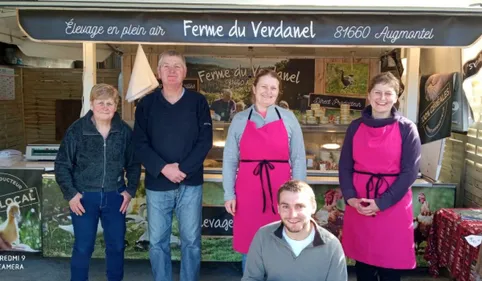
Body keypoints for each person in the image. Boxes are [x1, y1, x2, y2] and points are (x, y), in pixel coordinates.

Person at [133, 50, 213, 281]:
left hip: (191, 184)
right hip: (158, 184)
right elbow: (139, 143)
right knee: (157, 242)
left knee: (191, 241)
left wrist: (184, 169)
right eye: (166, 66)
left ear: (185, 72)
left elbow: (204, 141)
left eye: (177, 66)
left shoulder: (198, 102)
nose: (171, 70)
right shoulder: (146, 104)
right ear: (158, 73)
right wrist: (164, 168)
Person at [339, 72, 421, 281]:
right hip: (360, 203)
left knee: (390, 267)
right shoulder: (355, 127)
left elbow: (409, 173)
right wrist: (350, 198)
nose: (382, 98)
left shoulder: (407, 129)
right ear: (369, 95)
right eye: (377, 92)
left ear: (396, 98)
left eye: (388, 93)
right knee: (363, 265)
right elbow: (345, 166)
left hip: (393, 205)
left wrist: (382, 202)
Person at [55, 83, 141, 281]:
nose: (105, 107)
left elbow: (134, 164)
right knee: (83, 247)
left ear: (116, 106)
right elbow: (61, 164)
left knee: (117, 246)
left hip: (114, 197)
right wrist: (71, 194)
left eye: (109, 103)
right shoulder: (77, 131)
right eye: (100, 102)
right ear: (92, 104)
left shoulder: (124, 132)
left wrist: (129, 191)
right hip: (85, 197)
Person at [222, 69, 307, 272]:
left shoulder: (289, 118)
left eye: (273, 88)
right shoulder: (240, 119)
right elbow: (230, 159)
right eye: (263, 87)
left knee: (283, 243)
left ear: (278, 92)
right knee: (250, 247)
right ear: (254, 89)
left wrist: (299, 195)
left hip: (282, 193)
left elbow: (298, 158)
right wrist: (229, 193)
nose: (268, 92)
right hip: (248, 192)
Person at [242, 180, 347, 281]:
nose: (292, 215)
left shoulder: (332, 245)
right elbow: (251, 278)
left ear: (313, 207)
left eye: (299, 206)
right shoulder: (263, 236)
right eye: (285, 207)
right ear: (278, 208)